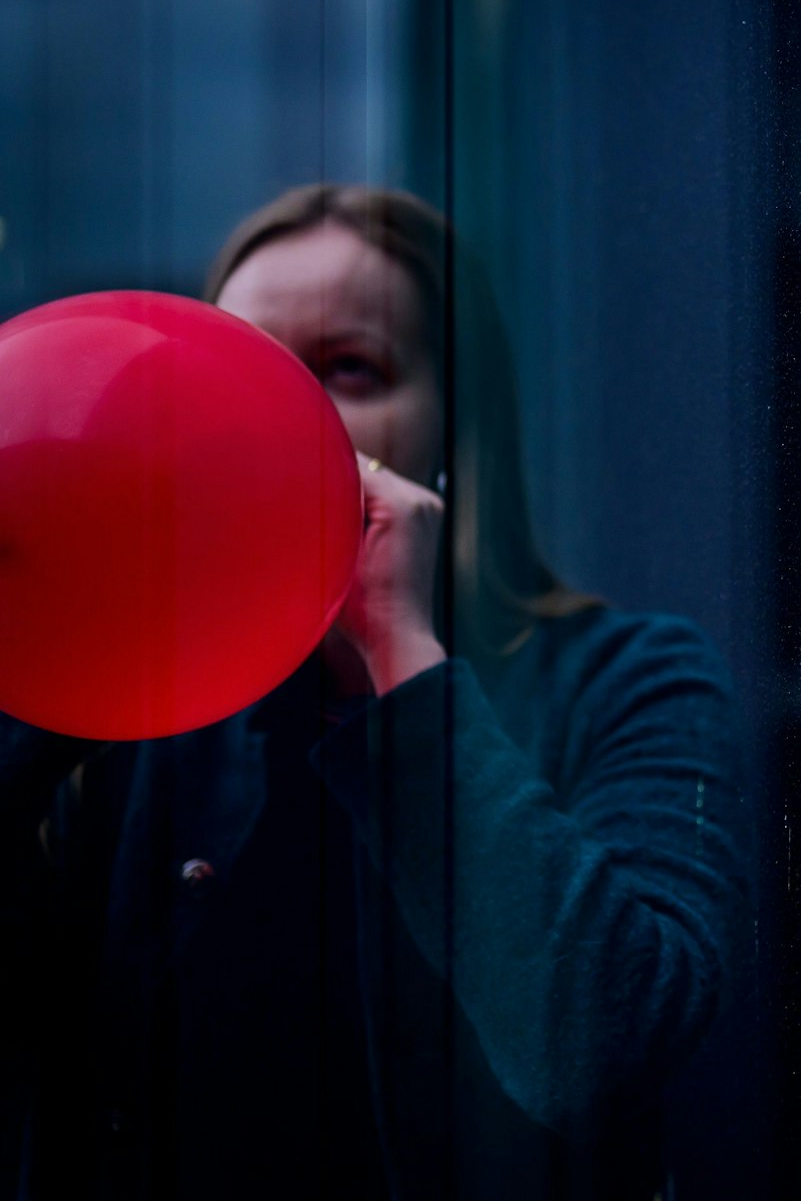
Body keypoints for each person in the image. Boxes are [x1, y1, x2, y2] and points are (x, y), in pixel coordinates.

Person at [0, 185, 746, 1200]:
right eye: (235, 365)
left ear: (456, 421)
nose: (281, 408)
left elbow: (599, 1050)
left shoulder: (628, 675)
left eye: (349, 367)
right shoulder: (137, 695)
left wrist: (398, 655)